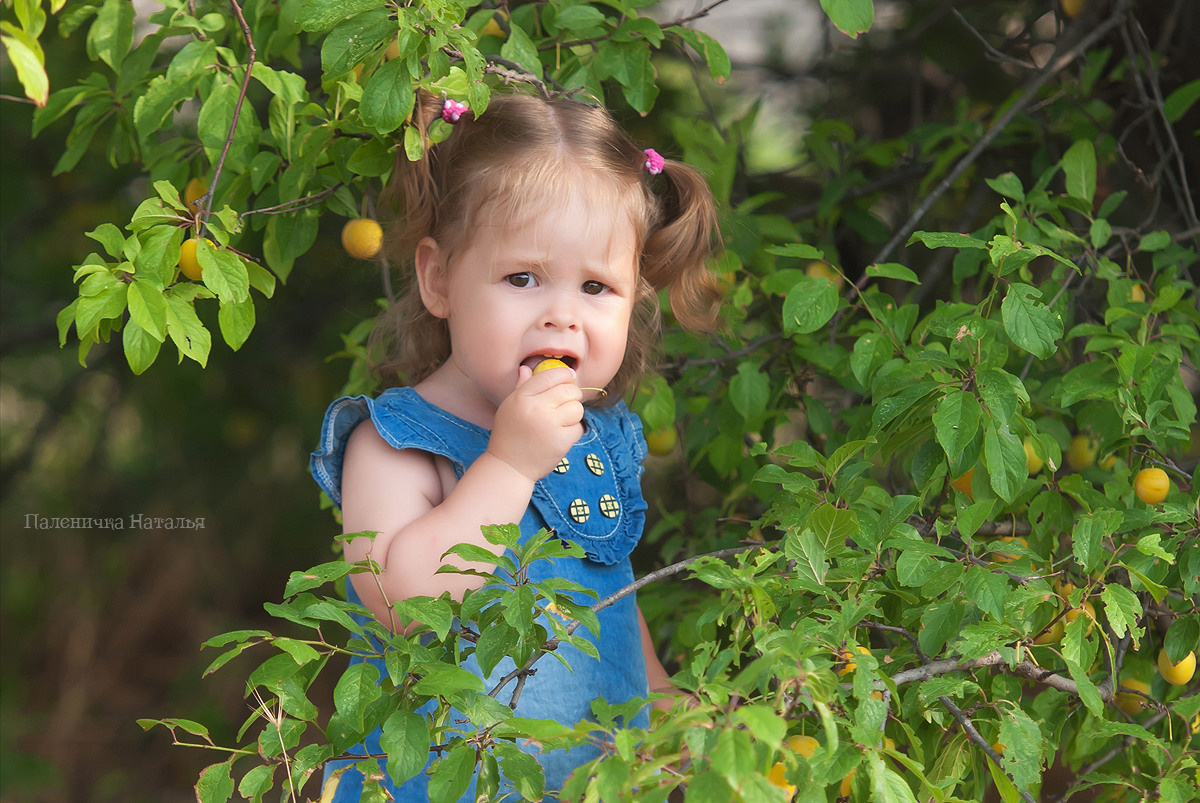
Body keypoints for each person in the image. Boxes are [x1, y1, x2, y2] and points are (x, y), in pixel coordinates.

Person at [309, 90, 721, 801]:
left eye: (596, 286)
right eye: (522, 278)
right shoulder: (395, 442)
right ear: (440, 278)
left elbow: (610, 604)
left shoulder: (597, 439)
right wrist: (508, 464)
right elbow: (406, 604)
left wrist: (665, 706)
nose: (561, 313)